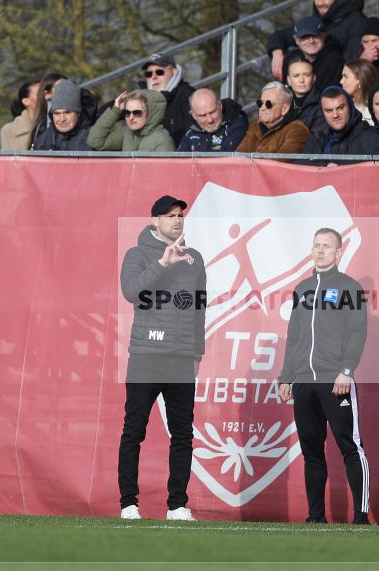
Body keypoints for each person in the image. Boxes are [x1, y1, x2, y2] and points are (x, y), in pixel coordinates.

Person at [119, 195, 207, 522]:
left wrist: (198, 351)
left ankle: (177, 506)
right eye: (170, 216)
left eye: (180, 215)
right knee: (134, 431)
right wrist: (162, 264)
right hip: (146, 356)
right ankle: (129, 504)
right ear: (155, 220)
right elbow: (131, 291)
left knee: (183, 434)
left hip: (181, 358)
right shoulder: (137, 254)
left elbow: (199, 307)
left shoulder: (194, 258)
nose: (177, 220)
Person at [278, 228, 370, 525]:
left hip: (335, 381)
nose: (320, 251)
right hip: (304, 382)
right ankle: (315, 517)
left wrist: (346, 371)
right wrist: (285, 377)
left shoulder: (349, 288)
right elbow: (293, 338)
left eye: (326, 246)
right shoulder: (302, 289)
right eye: (316, 245)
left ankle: (360, 517)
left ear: (339, 252)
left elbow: (358, 334)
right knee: (312, 451)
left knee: (349, 446)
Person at [268, 0, 367, 80]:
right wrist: (277, 54)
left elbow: (352, 62)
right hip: (309, 80)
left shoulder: (357, 22)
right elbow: (278, 36)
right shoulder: (316, 20)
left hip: (335, 83)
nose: (320, 3)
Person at [87, 89, 175, 152]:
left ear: (151, 112)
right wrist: (115, 111)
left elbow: (162, 177)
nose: (131, 117)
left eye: (137, 113)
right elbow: (94, 141)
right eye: (127, 112)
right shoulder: (127, 134)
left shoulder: (163, 141)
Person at [237, 82, 312, 153]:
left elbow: (279, 163)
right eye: (260, 103)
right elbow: (238, 157)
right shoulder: (254, 127)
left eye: (269, 104)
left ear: (284, 109)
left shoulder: (297, 130)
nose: (262, 108)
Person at [301, 86, 375, 156]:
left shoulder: (366, 136)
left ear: (350, 106)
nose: (335, 115)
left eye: (340, 108)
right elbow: (302, 164)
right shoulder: (318, 137)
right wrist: (325, 166)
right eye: (329, 111)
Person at [142, 53, 196, 147]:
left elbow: (192, 135)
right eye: (149, 74)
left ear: (174, 72)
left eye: (159, 72)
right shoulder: (139, 97)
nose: (154, 77)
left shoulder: (188, 96)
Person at [283, 16, 347, 93]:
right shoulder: (290, 59)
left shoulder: (334, 60)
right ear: (296, 40)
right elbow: (285, 91)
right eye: (305, 37)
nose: (311, 41)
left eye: (315, 35)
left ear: (323, 36)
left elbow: (329, 96)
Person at [177, 89, 248, 152]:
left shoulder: (237, 125)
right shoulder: (191, 132)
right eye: (203, 115)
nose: (210, 120)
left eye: (212, 112)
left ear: (220, 106)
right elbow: (179, 162)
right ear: (193, 115)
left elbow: (228, 161)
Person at [32, 80, 93, 151]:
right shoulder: (43, 139)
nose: (62, 119)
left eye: (67, 113)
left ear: (78, 114)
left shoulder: (92, 138)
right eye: (57, 113)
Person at [286, 56, 326, 133]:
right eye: (296, 76)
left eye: (307, 75)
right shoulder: (281, 104)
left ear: (314, 78)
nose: (301, 80)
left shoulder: (323, 103)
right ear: (288, 80)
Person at [0, 81, 39, 151]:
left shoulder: (56, 127)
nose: (46, 97)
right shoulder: (8, 131)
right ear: (26, 101)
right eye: (39, 94)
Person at [340, 59, 379, 124]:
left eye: (345, 77)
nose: (341, 81)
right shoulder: (345, 106)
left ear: (359, 79)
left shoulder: (378, 109)